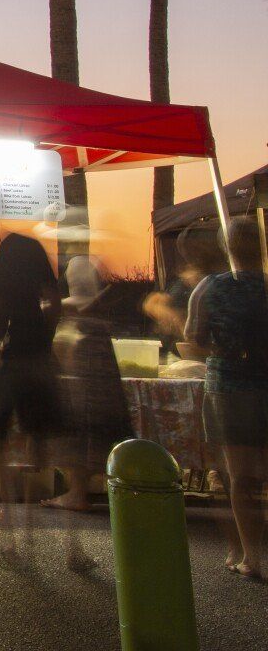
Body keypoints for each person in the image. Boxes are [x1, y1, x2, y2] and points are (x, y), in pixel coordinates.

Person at [0, 230, 79, 567]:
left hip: (14, 367)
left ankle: (9, 535)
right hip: (42, 365)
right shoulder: (46, 291)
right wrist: (44, 337)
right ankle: (71, 545)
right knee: (43, 448)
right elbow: (55, 310)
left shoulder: (6, 292)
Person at [181, 218, 268, 579]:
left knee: (240, 475)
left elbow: (194, 336)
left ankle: (251, 555)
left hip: (229, 386)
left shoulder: (209, 287)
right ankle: (247, 552)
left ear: (227, 248)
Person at [48, 255, 131, 514]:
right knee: (101, 436)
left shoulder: (74, 323)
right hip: (106, 396)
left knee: (81, 435)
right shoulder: (100, 322)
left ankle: (77, 493)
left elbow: (63, 355)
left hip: (84, 394)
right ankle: (120, 490)